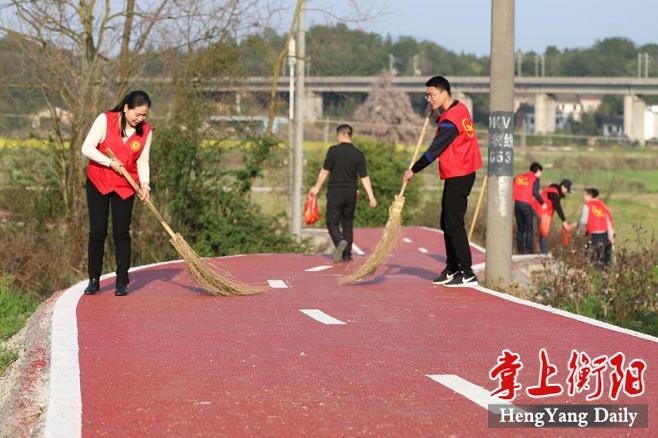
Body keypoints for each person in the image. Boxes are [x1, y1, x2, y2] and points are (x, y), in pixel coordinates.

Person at [403, 75, 482, 287]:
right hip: (458, 172)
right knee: (446, 221)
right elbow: (446, 122)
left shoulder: (451, 120)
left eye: (432, 94)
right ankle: (452, 268)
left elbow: (435, 150)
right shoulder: (460, 108)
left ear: (444, 92)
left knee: (453, 222)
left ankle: (467, 272)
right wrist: (435, 115)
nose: (429, 98)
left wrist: (414, 169)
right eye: (427, 95)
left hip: (460, 173)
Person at [81, 91, 153, 296]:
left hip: (125, 186)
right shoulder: (105, 120)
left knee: (121, 233)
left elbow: (142, 161)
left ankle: (122, 280)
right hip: (99, 181)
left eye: (144, 115)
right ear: (126, 108)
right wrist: (110, 162)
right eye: (137, 115)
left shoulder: (146, 131)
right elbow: (87, 148)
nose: (140, 119)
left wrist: (145, 185)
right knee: (98, 231)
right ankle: (94, 279)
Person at [309, 124, 377, 263]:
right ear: (350, 135)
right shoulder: (358, 154)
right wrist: (371, 196)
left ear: (339, 135)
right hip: (351, 192)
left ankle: (339, 242)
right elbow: (364, 176)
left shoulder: (333, 151)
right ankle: (347, 256)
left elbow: (325, 171)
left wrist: (316, 187)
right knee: (348, 223)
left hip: (335, 191)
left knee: (332, 222)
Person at [532, 179, 573, 254]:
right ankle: (544, 253)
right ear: (563, 187)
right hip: (539, 211)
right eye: (567, 190)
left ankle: (542, 251)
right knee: (543, 233)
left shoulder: (556, 192)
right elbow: (557, 206)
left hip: (543, 213)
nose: (567, 192)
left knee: (543, 233)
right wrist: (564, 221)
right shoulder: (553, 192)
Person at [576, 188, 615, 268]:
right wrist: (611, 235)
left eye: (584, 195)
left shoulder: (587, 205)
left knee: (594, 256)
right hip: (605, 233)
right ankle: (604, 272)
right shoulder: (602, 205)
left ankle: (595, 273)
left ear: (589, 196)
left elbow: (583, 221)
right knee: (603, 257)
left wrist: (579, 232)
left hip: (595, 234)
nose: (583, 197)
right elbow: (609, 219)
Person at [513, 162, 545, 254]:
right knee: (529, 228)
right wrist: (542, 203)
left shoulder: (519, 177)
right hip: (526, 204)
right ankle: (529, 250)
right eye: (540, 172)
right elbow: (535, 192)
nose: (541, 174)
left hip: (517, 204)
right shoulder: (535, 178)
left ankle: (520, 250)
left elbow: (512, 183)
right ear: (537, 171)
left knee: (520, 228)